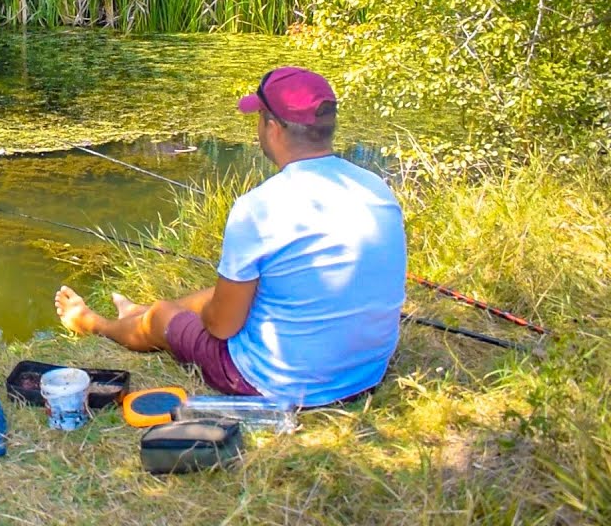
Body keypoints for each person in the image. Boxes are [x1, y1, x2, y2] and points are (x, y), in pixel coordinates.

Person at [54, 67, 407, 407]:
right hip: (365, 373)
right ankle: (135, 312)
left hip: (278, 383)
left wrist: (179, 314)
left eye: (259, 118)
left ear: (272, 127)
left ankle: (93, 322)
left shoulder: (259, 208)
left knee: (164, 317)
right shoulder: (375, 187)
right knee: (232, 292)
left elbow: (221, 328)